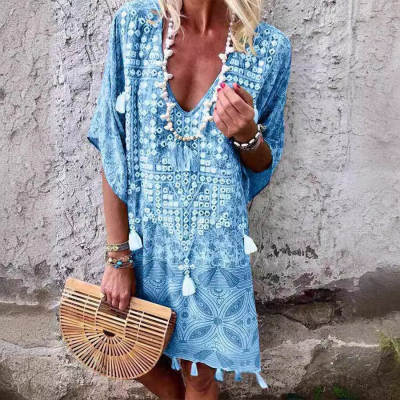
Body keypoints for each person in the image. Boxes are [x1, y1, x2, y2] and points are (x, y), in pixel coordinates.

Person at [87, 0, 292, 398]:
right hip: (145, 245)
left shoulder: (266, 49)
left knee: (200, 378)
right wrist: (117, 257)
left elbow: (263, 163)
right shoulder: (135, 27)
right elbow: (113, 148)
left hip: (215, 252)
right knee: (132, 350)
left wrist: (246, 133)